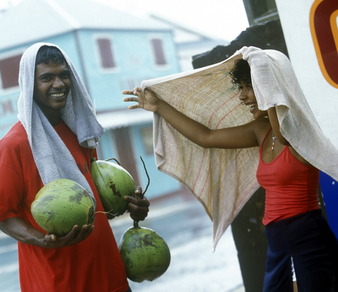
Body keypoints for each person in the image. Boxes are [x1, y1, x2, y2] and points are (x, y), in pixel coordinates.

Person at [123, 46, 338, 292]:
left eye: (249, 87)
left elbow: (284, 129)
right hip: (277, 239)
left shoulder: (299, 134)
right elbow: (206, 137)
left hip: (307, 235)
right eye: (242, 88)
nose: (243, 96)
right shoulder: (261, 131)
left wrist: (258, 61)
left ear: (269, 87)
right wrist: (159, 106)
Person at [0, 42, 149, 292]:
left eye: (64, 74)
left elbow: (94, 201)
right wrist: (44, 240)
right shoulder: (13, 145)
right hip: (57, 281)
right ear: (30, 85)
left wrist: (129, 206)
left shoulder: (79, 133)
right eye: (47, 78)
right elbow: (4, 217)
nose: (59, 84)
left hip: (108, 275)